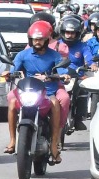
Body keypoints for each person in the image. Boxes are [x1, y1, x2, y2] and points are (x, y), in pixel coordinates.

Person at [6, 20, 69, 162]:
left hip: (48, 92)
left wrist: (63, 75)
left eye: (40, 39)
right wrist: (9, 74)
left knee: (56, 102)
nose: (37, 42)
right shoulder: (23, 55)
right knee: (12, 100)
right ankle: (12, 140)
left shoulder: (55, 55)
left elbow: (62, 70)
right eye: (35, 39)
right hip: (28, 90)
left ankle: (54, 144)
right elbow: (13, 69)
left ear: (47, 39)